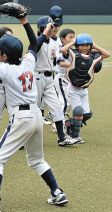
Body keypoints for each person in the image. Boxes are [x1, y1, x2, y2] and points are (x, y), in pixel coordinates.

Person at [0, 16, 68, 211]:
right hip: (36, 117)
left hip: (21, 119)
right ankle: (57, 193)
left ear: (4, 55)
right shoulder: (28, 62)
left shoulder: (5, 70)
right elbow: (33, 43)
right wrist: (24, 21)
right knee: (37, 160)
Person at [60, 33, 110, 144]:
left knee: (86, 114)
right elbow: (63, 50)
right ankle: (75, 136)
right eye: (81, 45)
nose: (84, 47)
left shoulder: (94, 57)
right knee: (78, 111)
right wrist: (73, 42)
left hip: (84, 89)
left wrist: (95, 45)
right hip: (73, 88)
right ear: (77, 46)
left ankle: (69, 124)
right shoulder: (73, 53)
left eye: (87, 45)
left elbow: (107, 54)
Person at [35, 16, 71, 146]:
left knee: (56, 107)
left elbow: (57, 59)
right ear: (41, 28)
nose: (52, 29)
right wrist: (45, 33)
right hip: (37, 78)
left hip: (49, 79)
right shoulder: (36, 40)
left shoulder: (52, 42)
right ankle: (25, 138)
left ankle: (62, 138)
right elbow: (35, 46)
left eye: (53, 27)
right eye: (49, 27)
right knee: (35, 109)